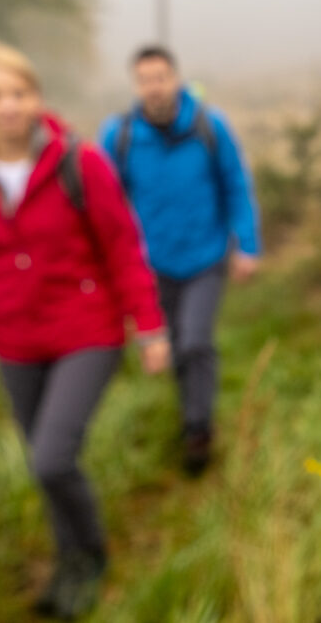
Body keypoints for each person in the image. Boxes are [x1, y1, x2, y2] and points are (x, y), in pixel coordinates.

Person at [0, 41, 170, 619]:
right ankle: (69, 563)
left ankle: (91, 557)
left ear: (37, 99)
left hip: (88, 332)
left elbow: (121, 245)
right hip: (16, 343)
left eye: (20, 93)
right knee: (46, 462)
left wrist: (150, 327)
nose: (9, 106)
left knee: (53, 459)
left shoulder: (77, 162)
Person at [99, 45, 261, 476]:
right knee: (171, 347)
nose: (154, 87)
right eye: (145, 79)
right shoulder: (119, 136)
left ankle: (198, 430)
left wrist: (247, 244)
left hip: (206, 257)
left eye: (161, 77)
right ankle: (191, 411)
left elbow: (236, 184)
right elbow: (104, 205)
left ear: (177, 79)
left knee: (194, 341)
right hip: (151, 264)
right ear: (136, 85)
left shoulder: (210, 127)